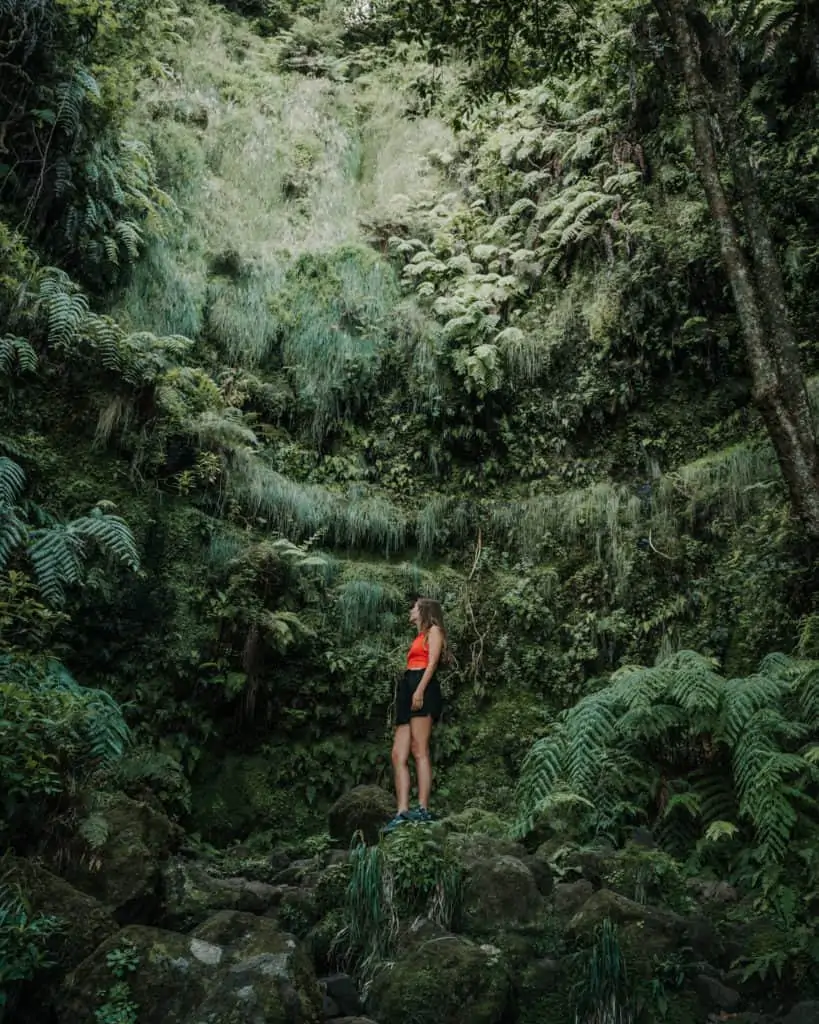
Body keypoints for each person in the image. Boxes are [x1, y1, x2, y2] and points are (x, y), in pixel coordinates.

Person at [383, 597, 446, 832]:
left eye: (415, 607)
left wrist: (420, 690)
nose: (411, 610)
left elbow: (432, 663)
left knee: (419, 749)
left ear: (424, 611)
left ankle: (422, 808)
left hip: (423, 685)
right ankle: (402, 811)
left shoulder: (434, 631)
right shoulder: (418, 637)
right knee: (398, 754)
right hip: (408, 684)